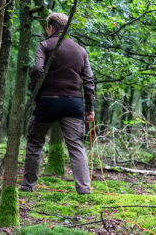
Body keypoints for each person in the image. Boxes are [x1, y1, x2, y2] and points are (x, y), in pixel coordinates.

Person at [20, 12, 95, 194]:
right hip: (74, 103)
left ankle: (28, 186)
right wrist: (90, 108)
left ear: (51, 27)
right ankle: (84, 189)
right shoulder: (80, 50)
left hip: (48, 102)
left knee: (35, 142)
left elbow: (38, 68)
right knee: (76, 146)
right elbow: (89, 81)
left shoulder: (44, 45)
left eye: (47, 27)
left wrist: (36, 93)